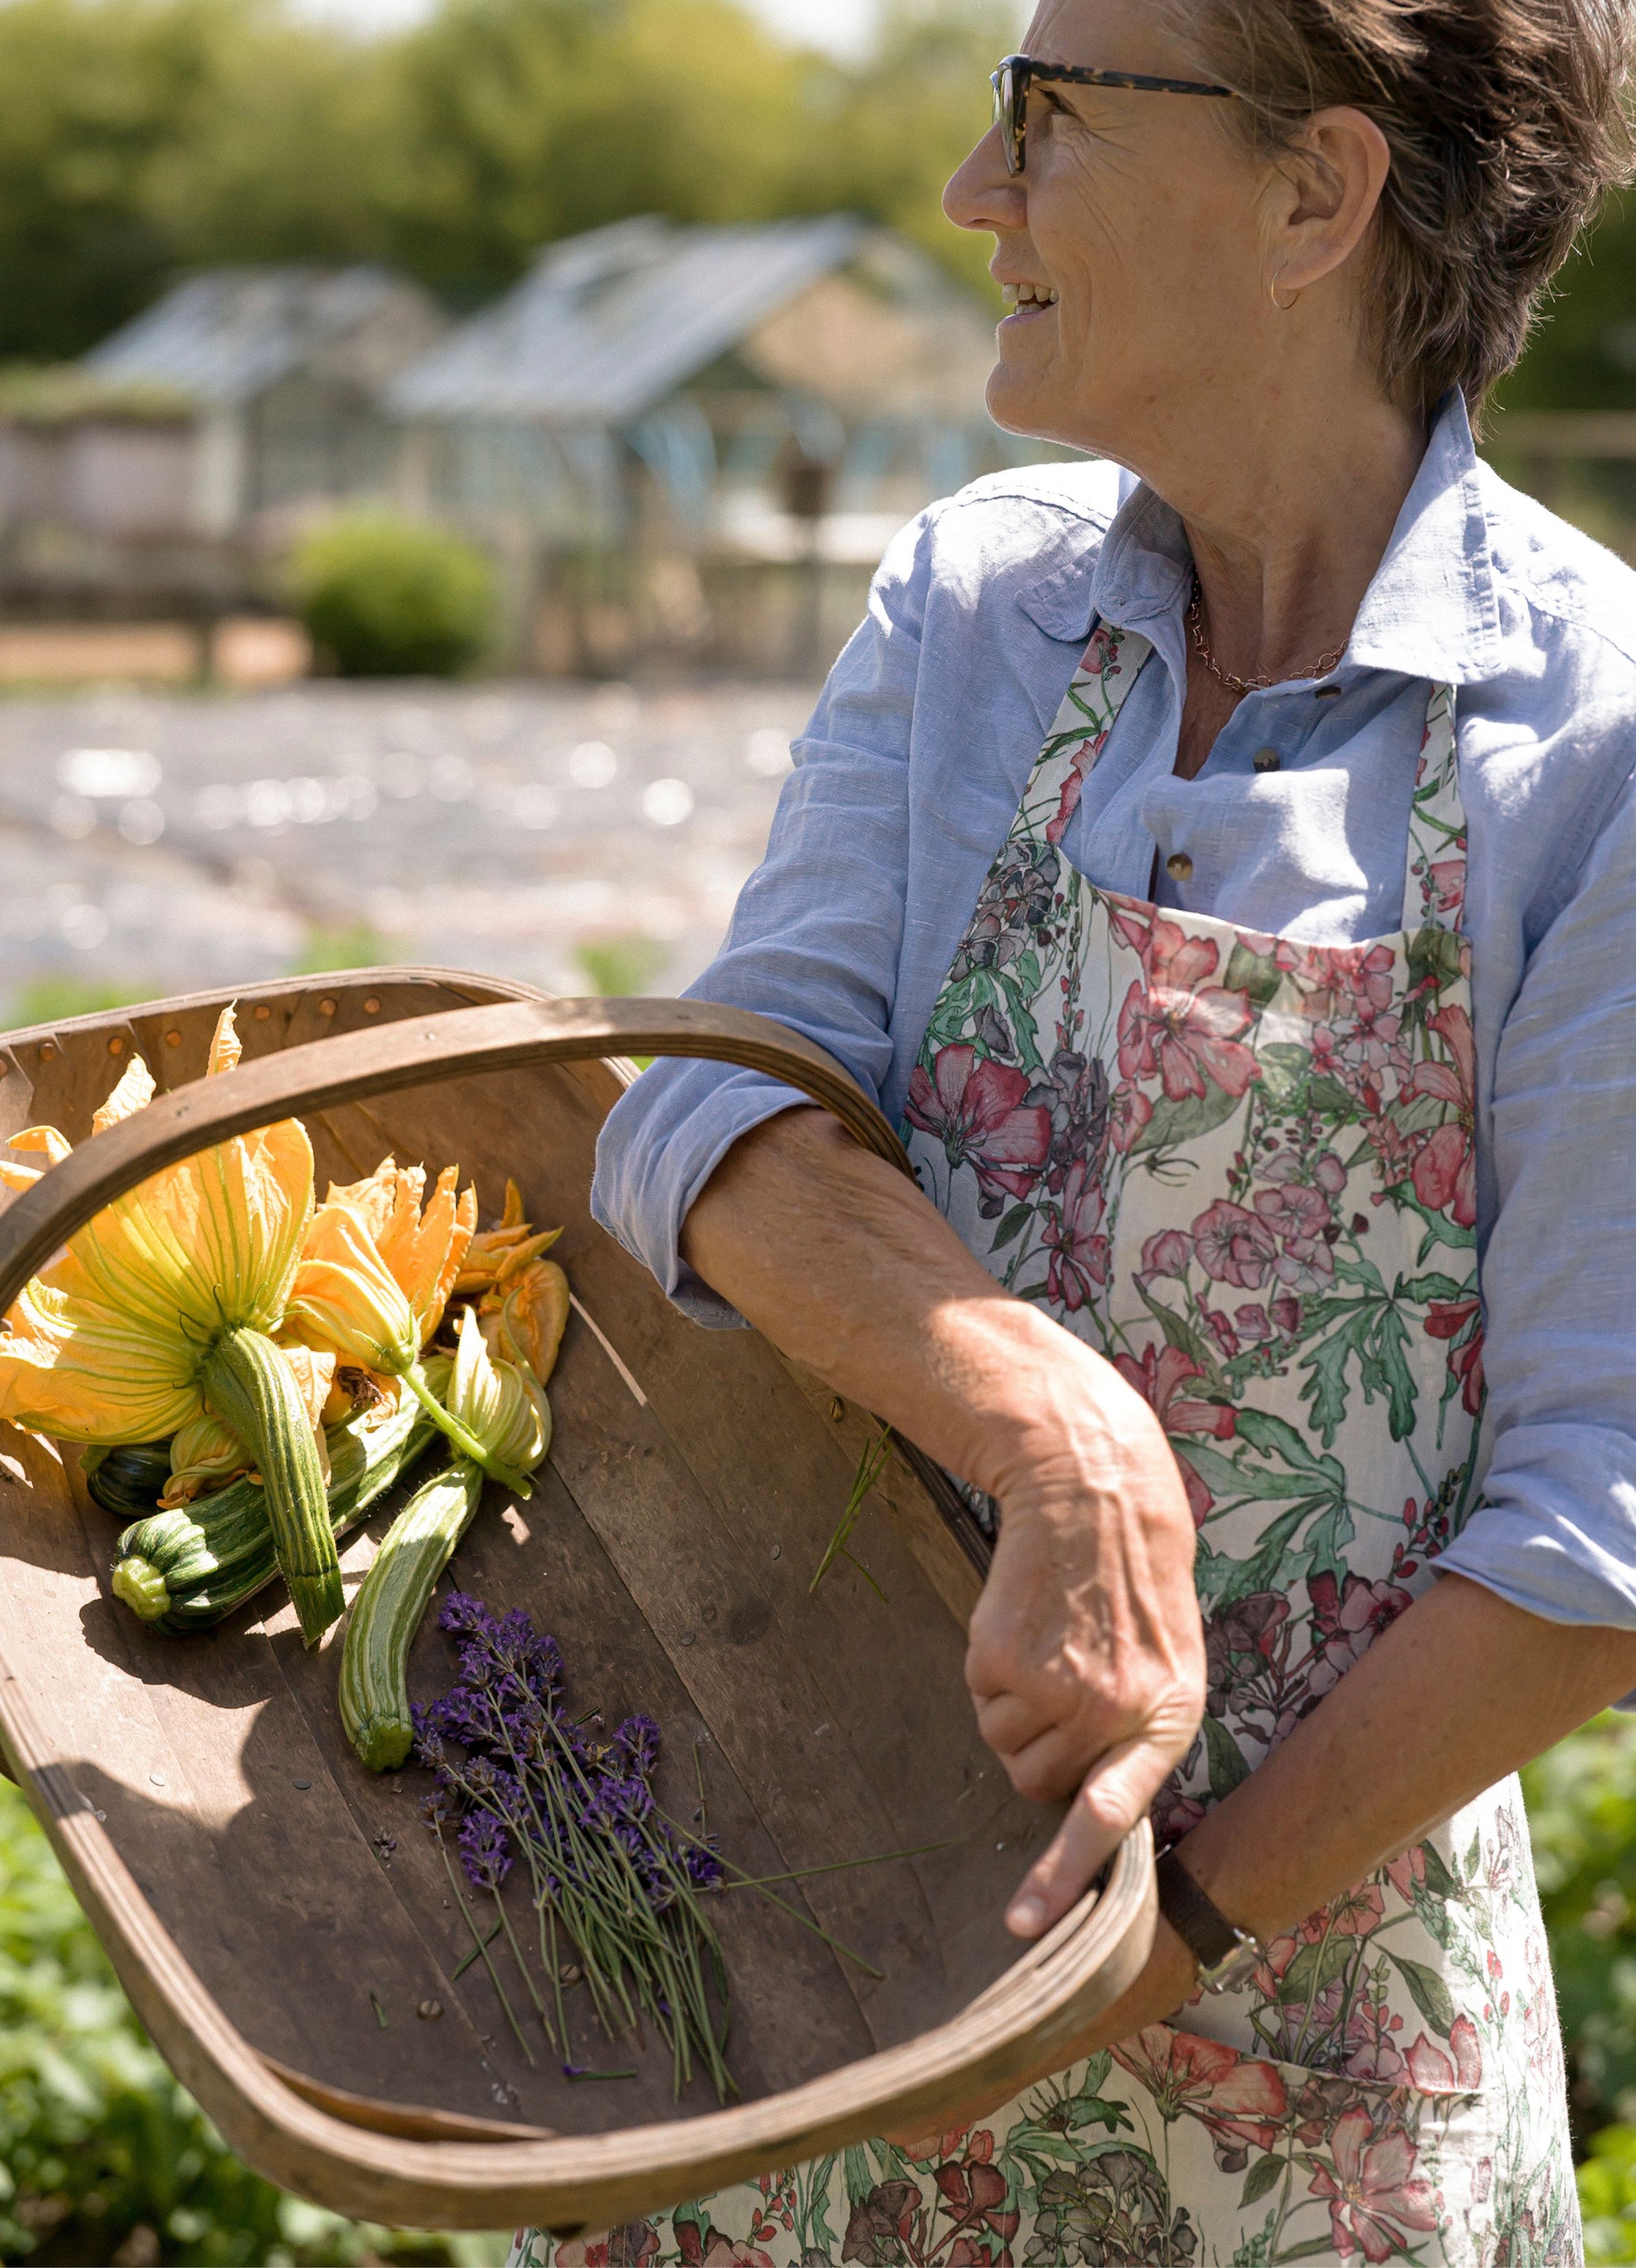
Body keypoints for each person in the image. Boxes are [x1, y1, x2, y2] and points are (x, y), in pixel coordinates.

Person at [512, 0, 1636, 2258]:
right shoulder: (979, 609)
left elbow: (1598, 1531)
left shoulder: (1591, 746)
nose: (972, 194)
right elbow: (703, 1119)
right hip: (806, 1971)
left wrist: (1147, 1947)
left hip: (1292, 2078)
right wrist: (1054, 1423)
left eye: (1048, 116)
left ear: (1316, 192)